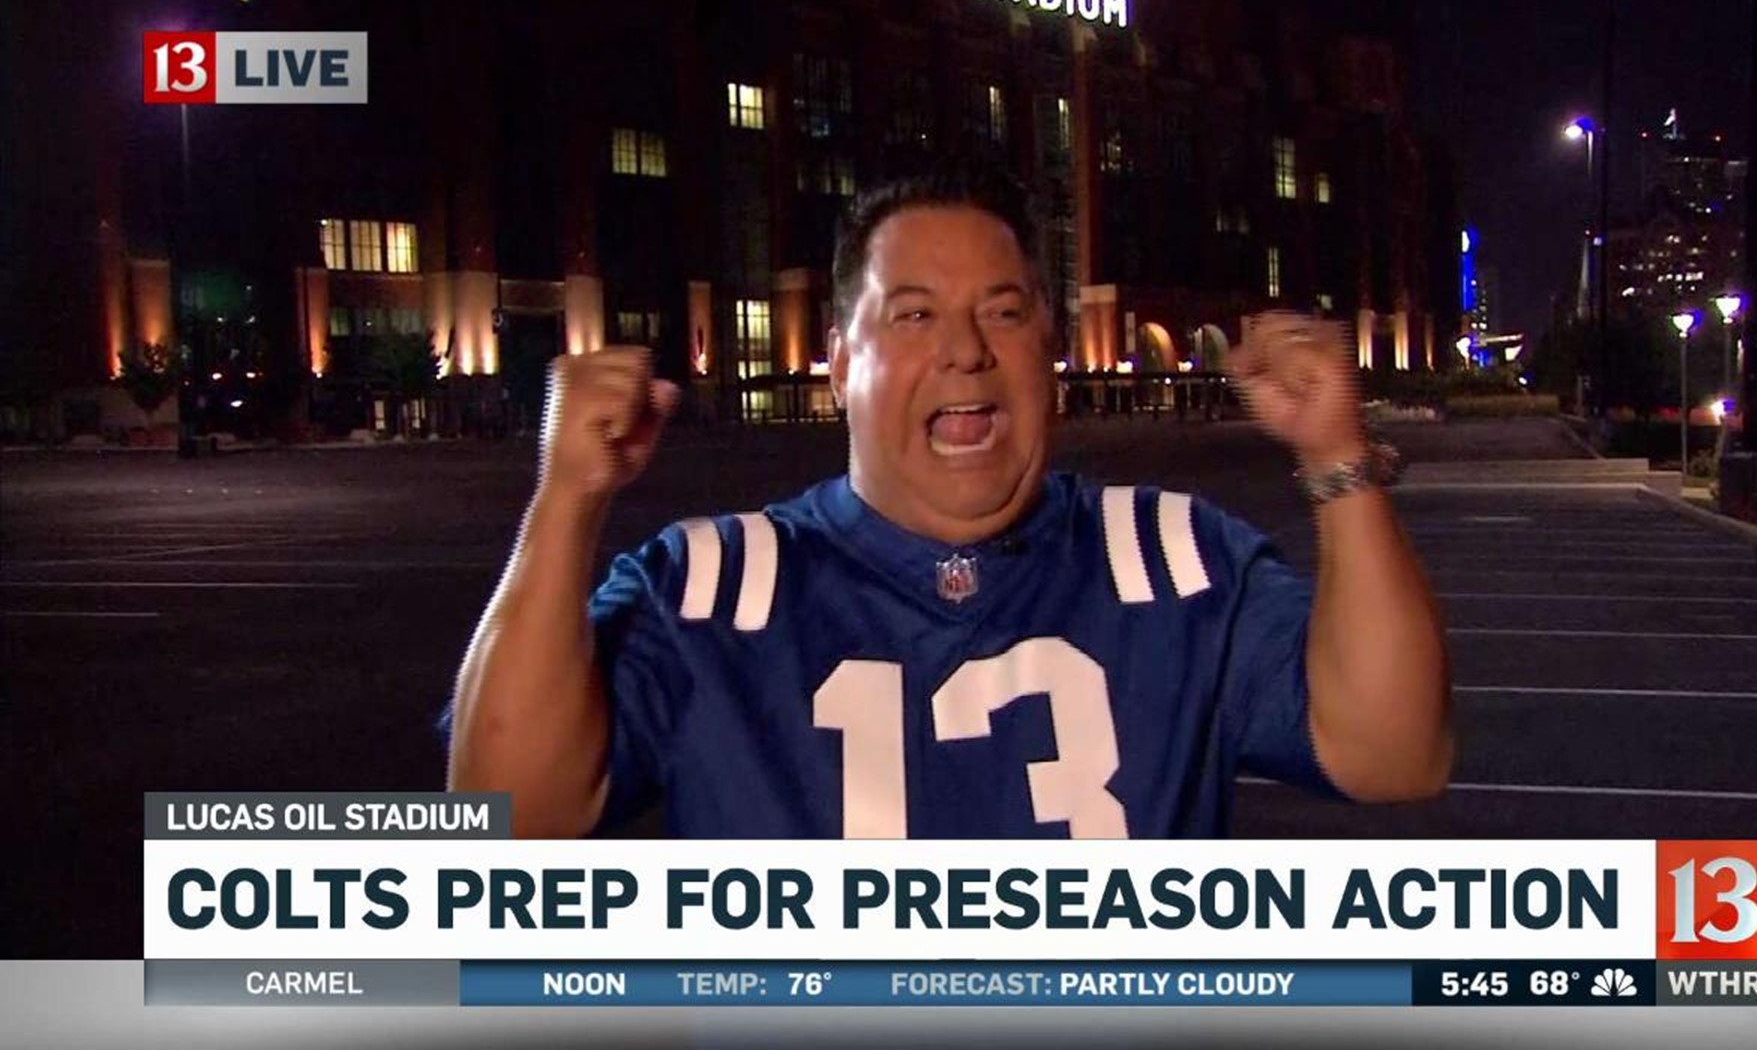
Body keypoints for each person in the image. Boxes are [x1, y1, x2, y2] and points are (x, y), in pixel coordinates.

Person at [445, 164, 1450, 839]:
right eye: (915, 315)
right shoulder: (712, 589)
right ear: (840, 364)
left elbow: (1396, 752)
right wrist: (567, 499)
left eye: (1002, 314)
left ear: (1045, 345)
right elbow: (505, 811)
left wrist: (1336, 460)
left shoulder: (1174, 559)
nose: (967, 350)